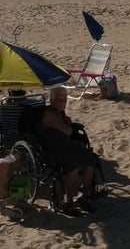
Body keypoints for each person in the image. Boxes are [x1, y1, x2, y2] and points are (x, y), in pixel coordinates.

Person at [39, 86, 99, 214]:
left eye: (64, 99)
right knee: (74, 165)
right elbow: (68, 131)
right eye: (59, 99)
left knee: (90, 160)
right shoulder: (49, 114)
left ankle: (85, 196)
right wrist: (66, 124)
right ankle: (68, 200)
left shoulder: (59, 113)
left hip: (66, 147)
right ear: (52, 100)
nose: (63, 102)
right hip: (52, 150)